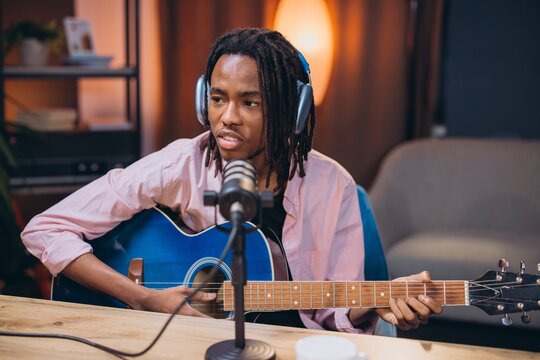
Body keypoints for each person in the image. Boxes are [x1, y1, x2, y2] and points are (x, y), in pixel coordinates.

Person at [21, 28, 442, 333]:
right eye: (218, 98)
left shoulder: (333, 186)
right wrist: (142, 297)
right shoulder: (181, 164)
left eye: (250, 102)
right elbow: (47, 228)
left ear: (290, 113)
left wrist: (374, 303)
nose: (227, 117)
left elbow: (335, 314)